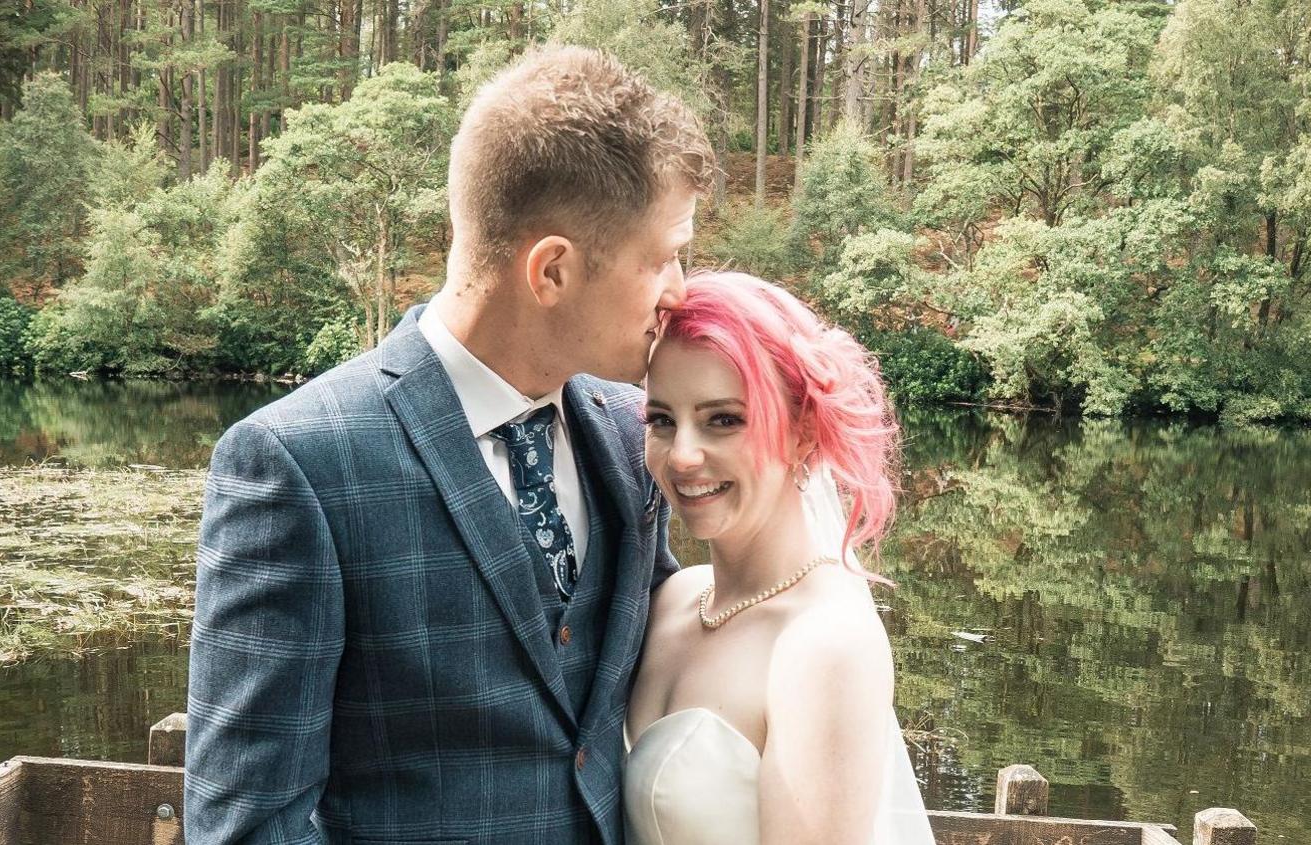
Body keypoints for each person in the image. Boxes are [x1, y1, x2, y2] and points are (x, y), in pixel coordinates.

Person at [184, 46, 715, 844]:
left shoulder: (630, 427)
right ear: (553, 271)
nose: (680, 290)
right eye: (662, 258)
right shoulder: (296, 464)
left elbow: (677, 654)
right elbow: (250, 826)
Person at [625, 271, 935, 844]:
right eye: (662, 420)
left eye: (724, 419)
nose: (683, 455)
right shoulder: (670, 599)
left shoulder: (825, 643)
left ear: (805, 433)